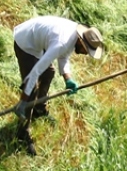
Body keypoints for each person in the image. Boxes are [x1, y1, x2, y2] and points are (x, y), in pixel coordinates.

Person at [12, 16, 105, 152]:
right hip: (26, 43)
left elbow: (63, 56)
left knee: (49, 73)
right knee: (32, 91)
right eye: (86, 50)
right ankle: (22, 132)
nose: (86, 54)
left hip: (38, 39)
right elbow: (35, 71)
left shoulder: (72, 37)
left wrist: (68, 79)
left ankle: (39, 108)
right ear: (81, 41)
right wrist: (24, 99)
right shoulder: (62, 41)